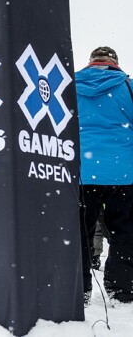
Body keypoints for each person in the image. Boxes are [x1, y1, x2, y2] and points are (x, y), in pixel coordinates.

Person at [75, 46, 133, 304]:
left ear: (91, 63)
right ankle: (121, 290)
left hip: (82, 174)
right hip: (123, 173)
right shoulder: (129, 87)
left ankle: (80, 289)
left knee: (81, 232)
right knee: (125, 232)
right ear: (114, 63)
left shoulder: (69, 87)